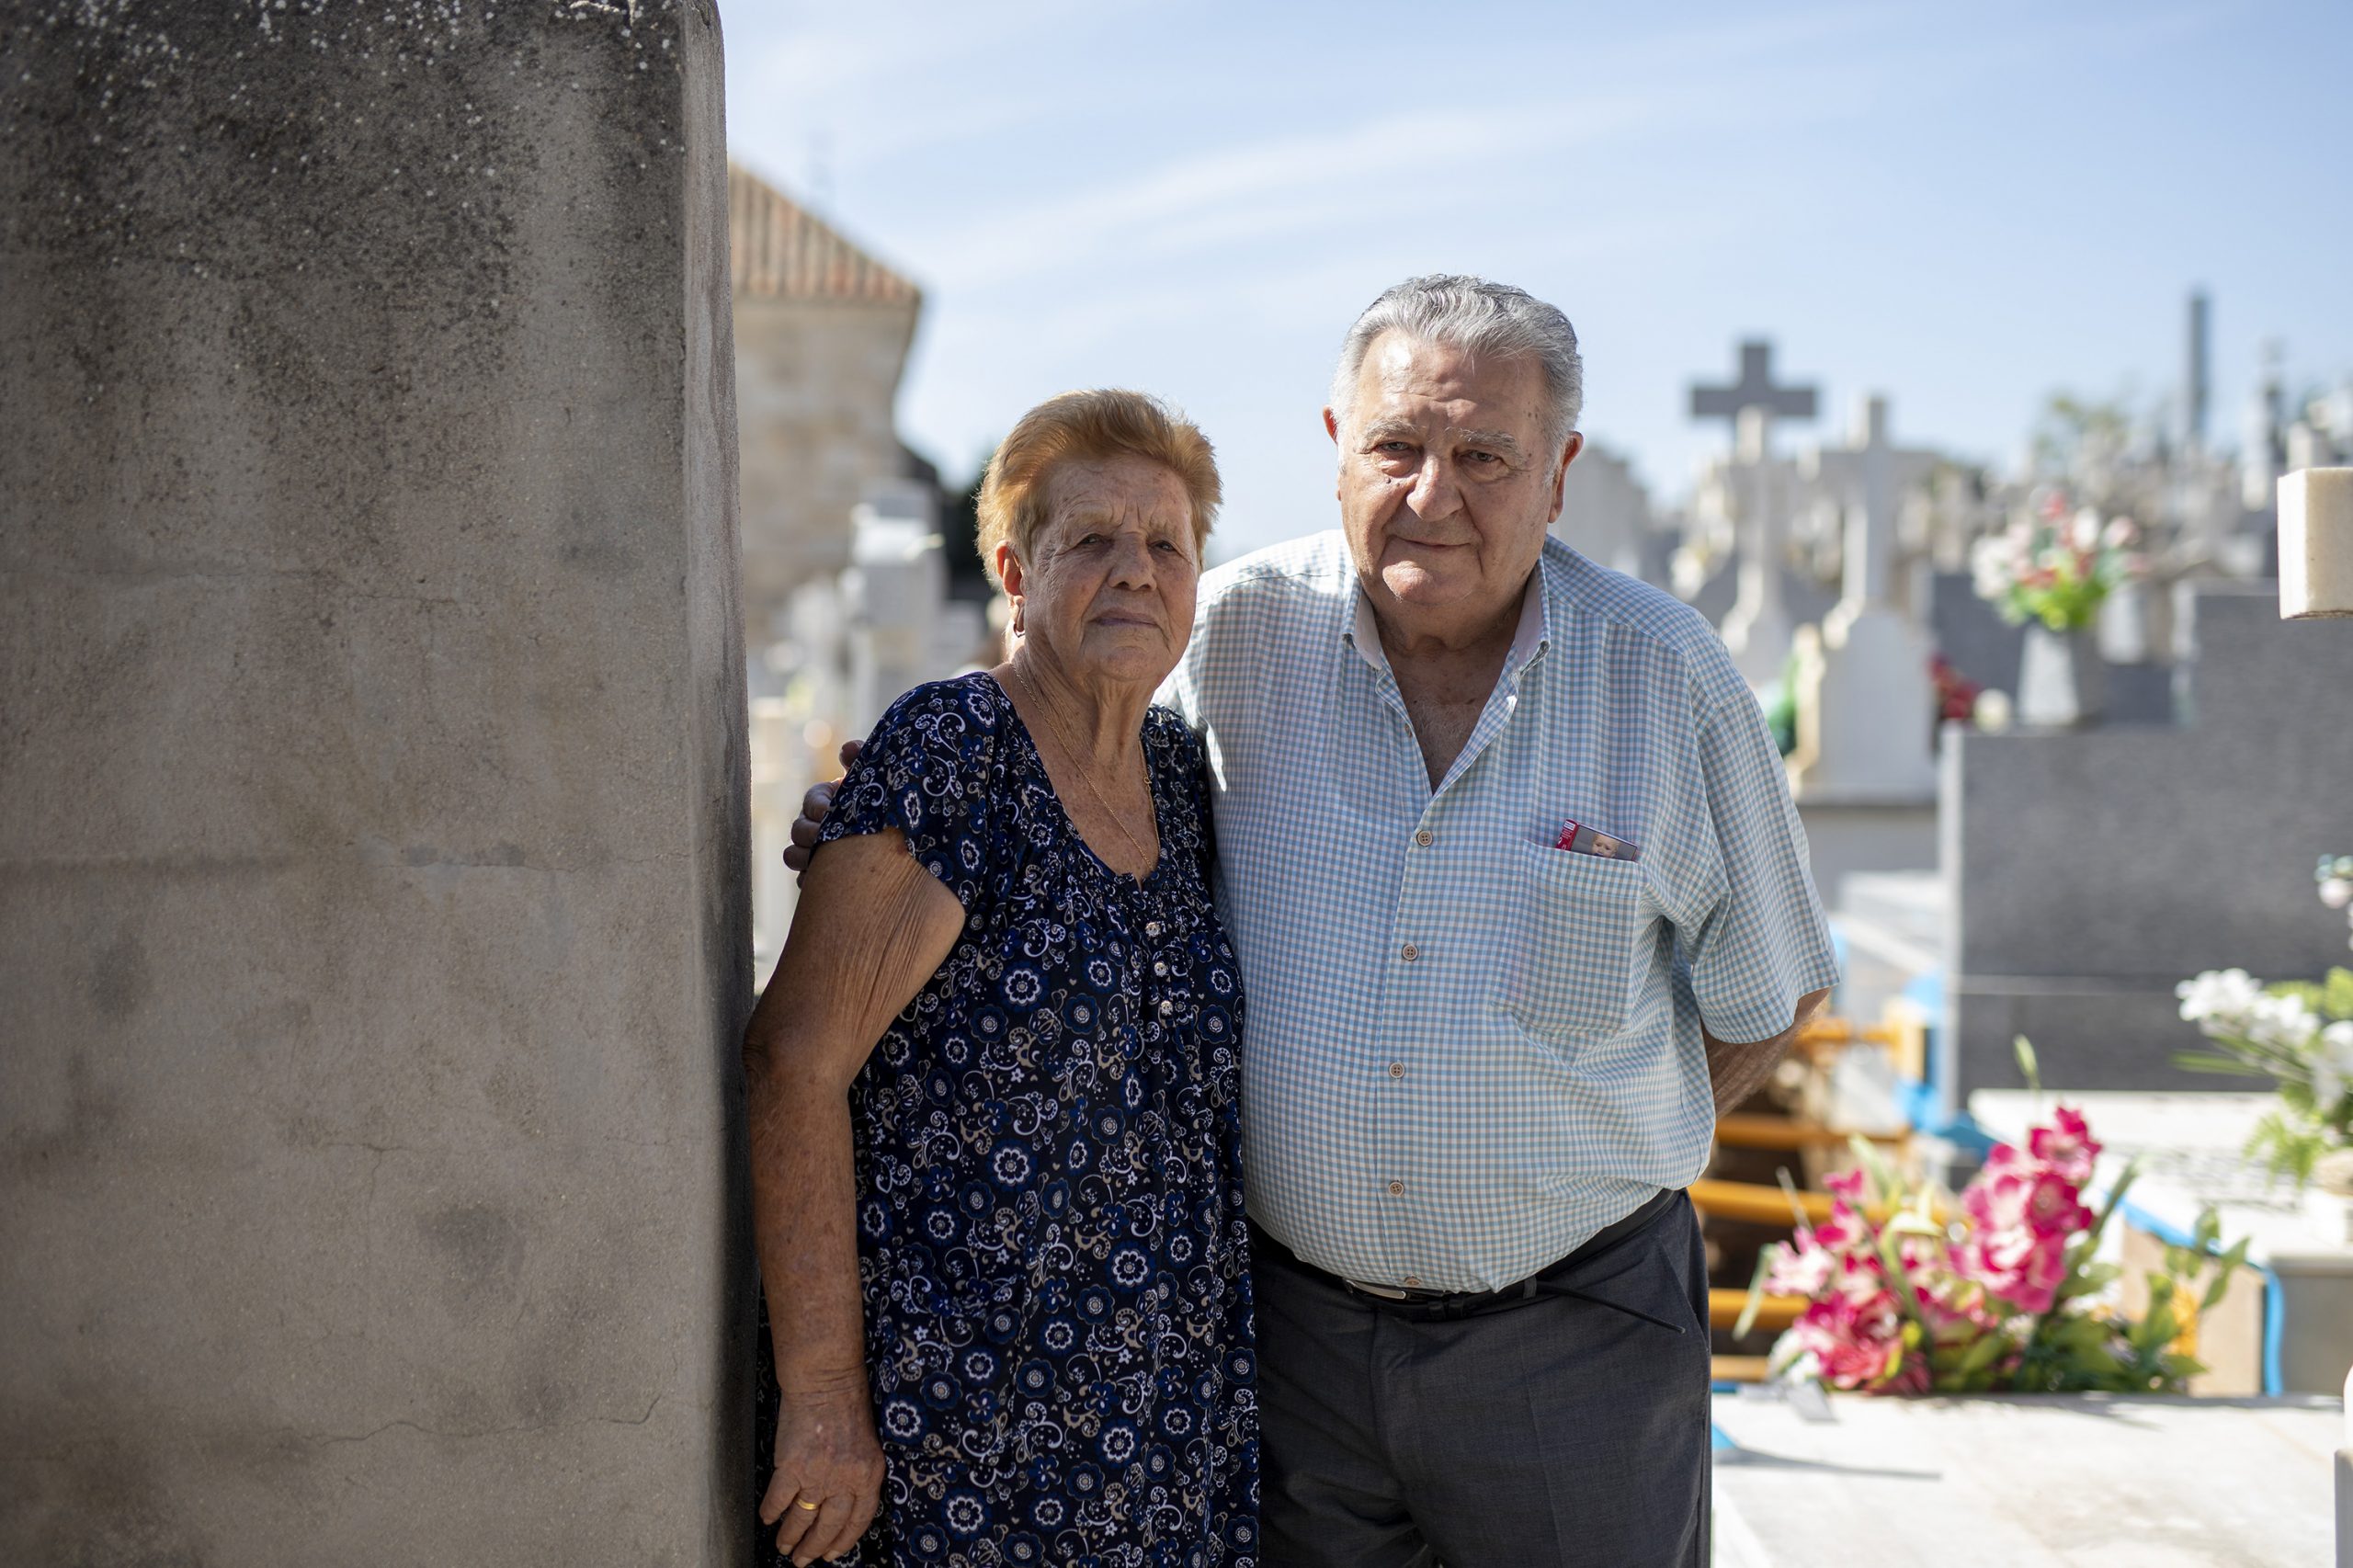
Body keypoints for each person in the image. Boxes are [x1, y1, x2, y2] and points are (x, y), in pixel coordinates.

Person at [796, 277, 1838, 1567]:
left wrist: (1587, 1156)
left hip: (1575, 1346)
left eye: (1484, 455)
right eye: (1398, 446)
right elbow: (1063, 741)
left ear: (1558, 474)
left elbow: (1775, 993)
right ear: (1339, 444)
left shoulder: (1665, 680)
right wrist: (878, 803)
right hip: (1291, 1359)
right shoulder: (1230, 633)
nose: (1431, 493)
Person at [745, 390, 1257, 1568]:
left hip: (1162, 1435)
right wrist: (822, 1395)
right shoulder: (950, 753)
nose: (1135, 569)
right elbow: (792, 1060)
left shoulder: (1183, 780)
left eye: (1166, 543)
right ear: (1013, 569)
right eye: (1089, 539)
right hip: (957, 1431)